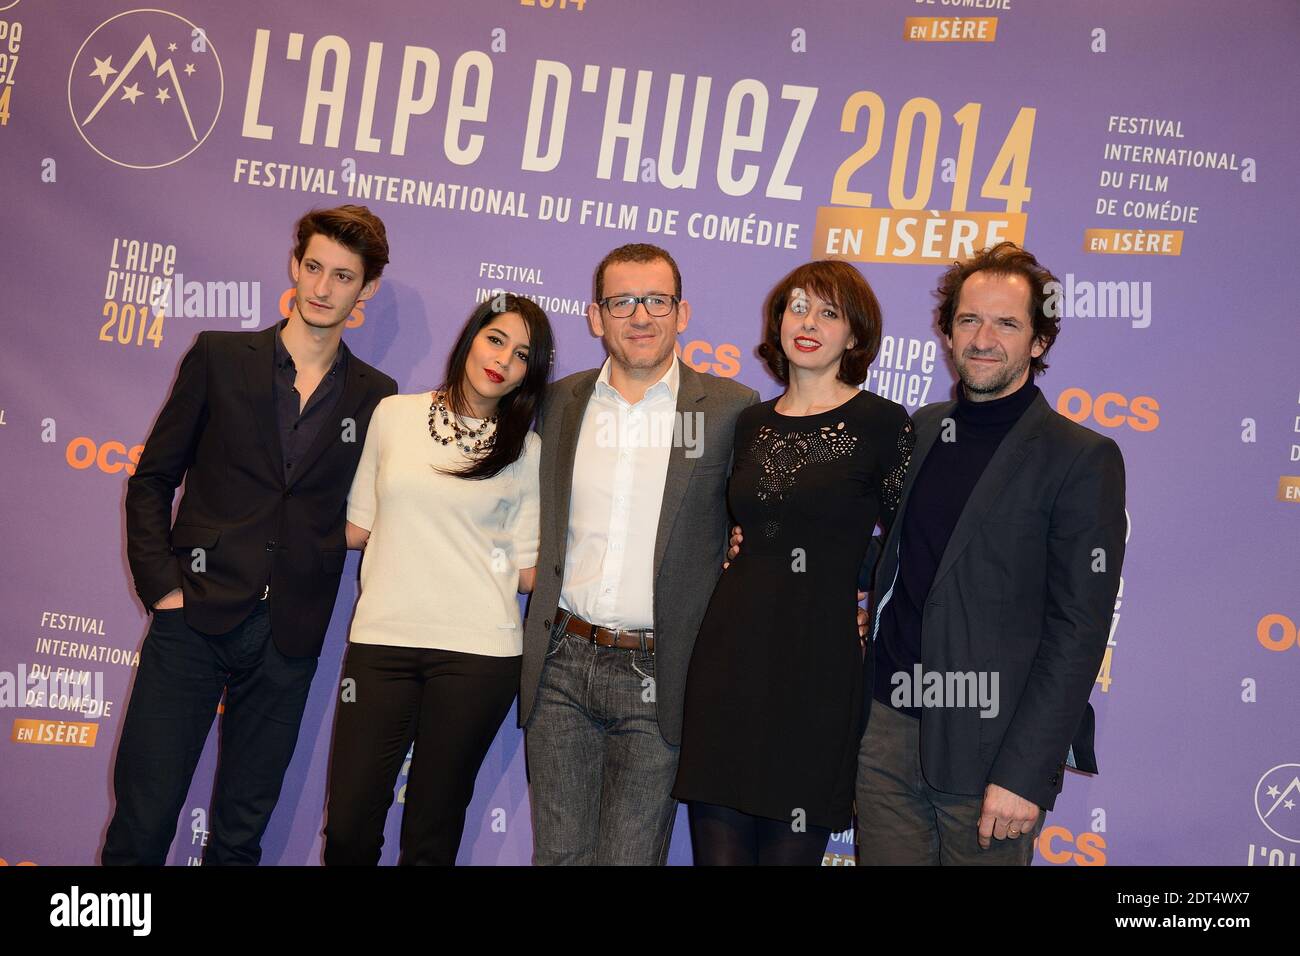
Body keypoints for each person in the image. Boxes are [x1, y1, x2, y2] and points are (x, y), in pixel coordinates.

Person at [105, 205, 397, 865]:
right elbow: (151, 479)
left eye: (342, 276)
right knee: (142, 827)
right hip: (192, 621)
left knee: (238, 840)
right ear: (294, 266)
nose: (322, 288)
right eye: (313, 267)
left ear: (366, 289)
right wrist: (162, 589)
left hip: (287, 640)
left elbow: (371, 509)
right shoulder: (218, 355)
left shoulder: (378, 396)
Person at [856, 241, 1126, 865]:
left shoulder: (1080, 458)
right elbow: (909, 555)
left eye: (1006, 323)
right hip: (888, 731)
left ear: (1038, 342)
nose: (983, 338)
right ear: (947, 332)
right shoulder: (922, 430)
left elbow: (1078, 631)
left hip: (991, 750)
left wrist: (1026, 772)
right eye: (969, 319)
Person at [520, 243, 759, 865]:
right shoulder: (560, 403)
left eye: (656, 300)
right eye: (621, 301)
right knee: (560, 857)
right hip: (561, 665)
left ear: (682, 313)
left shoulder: (731, 409)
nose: (640, 316)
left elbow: (761, 522)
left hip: (663, 670)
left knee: (630, 859)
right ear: (596, 317)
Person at [671, 261, 912, 865]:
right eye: (797, 307)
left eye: (830, 312)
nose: (808, 323)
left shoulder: (883, 424)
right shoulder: (750, 421)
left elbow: (912, 545)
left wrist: (866, 598)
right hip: (729, 660)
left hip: (817, 670)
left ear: (855, 336)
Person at [322, 294, 552, 865]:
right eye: (495, 339)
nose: (502, 359)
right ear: (471, 337)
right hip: (382, 642)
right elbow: (357, 525)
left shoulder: (527, 448)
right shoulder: (393, 414)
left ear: (530, 373)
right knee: (349, 828)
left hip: (478, 654)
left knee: (432, 833)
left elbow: (527, 571)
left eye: (521, 354)